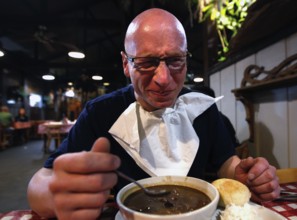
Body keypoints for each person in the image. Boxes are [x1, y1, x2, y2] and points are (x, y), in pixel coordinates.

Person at [27, 8, 280, 219]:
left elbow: (226, 163)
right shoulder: (100, 113)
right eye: (147, 62)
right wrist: (54, 193)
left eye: (175, 60)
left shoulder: (203, 108)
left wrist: (246, 175)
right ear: (126, 64)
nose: (163, 79)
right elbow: (41, 180)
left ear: (186, 59)